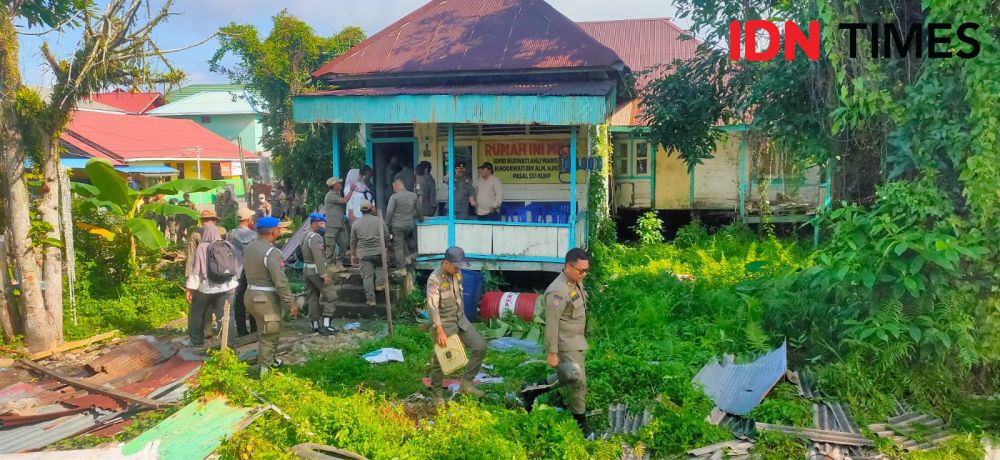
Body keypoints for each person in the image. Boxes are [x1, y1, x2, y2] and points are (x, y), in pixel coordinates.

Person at [520, 248, 594, 438]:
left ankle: (532, 390)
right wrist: (552, 352)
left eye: (586, 270)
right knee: (579, 382)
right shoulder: (557, 291)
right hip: (565, 343)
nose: (584, 274)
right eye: (581, 270)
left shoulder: (574, 282)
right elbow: (552, 325)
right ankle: (581, 422)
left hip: (577, 341)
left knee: (569, 376)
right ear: (568, 266)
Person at [426, 246, 486, 398]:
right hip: (444, 324)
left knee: (479, 347)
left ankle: (466, 383)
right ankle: (437, 394)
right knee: (441, 360)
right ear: (446, 263)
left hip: (461, 320)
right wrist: (439, 330)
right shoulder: (434, 280)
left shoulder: (457, 273)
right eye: (455, 266)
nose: (457, 269)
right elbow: (433, 307)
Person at [243, 216, 295, 376]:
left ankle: (270, 360)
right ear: (273, 231)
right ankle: (265, 372)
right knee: (270, 333)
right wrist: (290, 303)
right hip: (265, 298)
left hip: (250, 294)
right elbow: (280, 281)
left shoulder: (250, 247)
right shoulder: (272, 252)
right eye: (279, 228)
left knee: (263, 329)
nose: (280, 230)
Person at [182, 214, 239, 349]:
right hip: (228, 286)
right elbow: (236, 265)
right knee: (226, 315)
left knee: (197, 312)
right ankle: (229, 344)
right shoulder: (227, 245)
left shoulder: (202, 247)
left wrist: (189, 289)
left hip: (206, 287)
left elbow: (197, 271)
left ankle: (196, 341)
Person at [302, 212, 338, 335]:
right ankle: (327, 325)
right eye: (321, 223)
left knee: (312, 297)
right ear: (315, 223)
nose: (323, 226)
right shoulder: (316, 237)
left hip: (307, 270)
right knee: (331, 295)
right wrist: (324, 275)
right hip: (316, 270)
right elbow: (318, 257)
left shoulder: (305, 235)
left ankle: (315, 325)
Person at [350, 200, 387, 307]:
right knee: (380, 266)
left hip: (364, 254)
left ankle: (371, 300)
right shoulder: (379, 221)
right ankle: (380, 283)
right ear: (371, 209)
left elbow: (353, 241)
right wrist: (385, 247)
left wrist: (353, 254)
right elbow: (386, 234)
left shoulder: (356, 224)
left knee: (367, 277)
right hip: (378, 251)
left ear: (361, 211)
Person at [228, 208, 258, 337]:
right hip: (251, 271)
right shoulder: (253, 235)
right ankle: (254, 328)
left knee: (239, 301)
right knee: (253, 299)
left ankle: (241, 331)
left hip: (236, 271)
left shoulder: (231, 234)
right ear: (248, 220)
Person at [385, 179, 418, 272]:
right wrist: (421, 219)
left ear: (396, 187)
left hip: (397, 225)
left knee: (398, 246)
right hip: (409, 225)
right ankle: (407, 259)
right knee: (403, 240)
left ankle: (402, 268)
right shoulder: (413, 195)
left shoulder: (394, 197)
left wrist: (387, 224)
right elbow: (418, 209)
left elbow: (389, 211)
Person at [323, 177, 355, 272]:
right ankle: (330, 264)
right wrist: (352, 190)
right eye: (339, 183)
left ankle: (339, 262)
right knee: (330, 246)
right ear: (334, 185)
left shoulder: (337, 194)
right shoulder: (330, 195)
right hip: (332, 225)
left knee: (344, 244)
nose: (341, 184)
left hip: (339, 225)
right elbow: (344, 201)